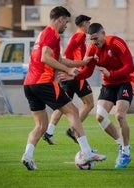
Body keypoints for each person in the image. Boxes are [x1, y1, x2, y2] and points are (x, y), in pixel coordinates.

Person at [21, 7, 106, 171]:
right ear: (60, 19)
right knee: (73, 112)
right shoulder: (52, 33)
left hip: (29, 85)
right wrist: (67, 71)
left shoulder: (44, 34)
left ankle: (28, 156)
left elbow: (59, 58)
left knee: (41, 126)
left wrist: (80, 64)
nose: (66, 25)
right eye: (66, 22)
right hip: (43, 82)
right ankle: (87, 152)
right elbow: (45, 57)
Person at [58, 23, 134, 169]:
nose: (94, 42)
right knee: (100, 116)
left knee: (119, 115)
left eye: (96, 38)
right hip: (109, 84)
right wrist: (73, 77)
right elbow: (87, 71)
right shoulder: (92, 48)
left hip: (126, 81)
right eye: (91, 39)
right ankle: (121, 144)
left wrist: (111, 74)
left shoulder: (117, 43)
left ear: (103, 34)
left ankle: (125, 152)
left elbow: (130, 67)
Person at [42, 14, 94, 145]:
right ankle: (73, 130)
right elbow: (69, 52)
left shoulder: (77, 36)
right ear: (83, 24)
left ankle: (49, 132)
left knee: (62, 105)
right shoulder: (79, 36)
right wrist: (70, 70)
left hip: (70, 75)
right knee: (89, 103)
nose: (89, 26)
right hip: (75, 76)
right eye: (88, 23)